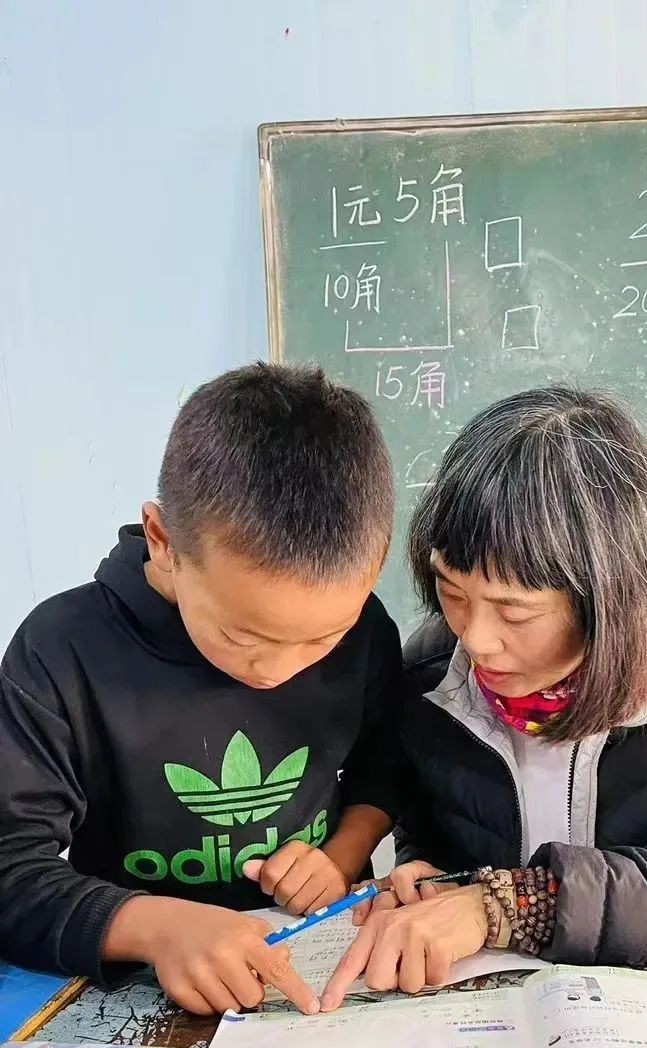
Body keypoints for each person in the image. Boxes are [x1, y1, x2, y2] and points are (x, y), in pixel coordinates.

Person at [322, 385, 647, 1005]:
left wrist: (511, 906)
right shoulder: (433, 671)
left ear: (613, 599)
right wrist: (432, 885)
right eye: (452, 593)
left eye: (515, 611)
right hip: (507, 1016)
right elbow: (435, 844)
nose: (476, 639)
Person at [0, 363, 401, 1015]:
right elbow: (10, 867)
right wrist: (156, 927)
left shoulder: (365, 629)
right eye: (244, 637)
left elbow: (391, 760)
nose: (281, 669)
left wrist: (342, 853)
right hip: (135, 980)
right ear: (162, 541)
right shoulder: (62, 651)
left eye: (323, 638)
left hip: (315, 965)